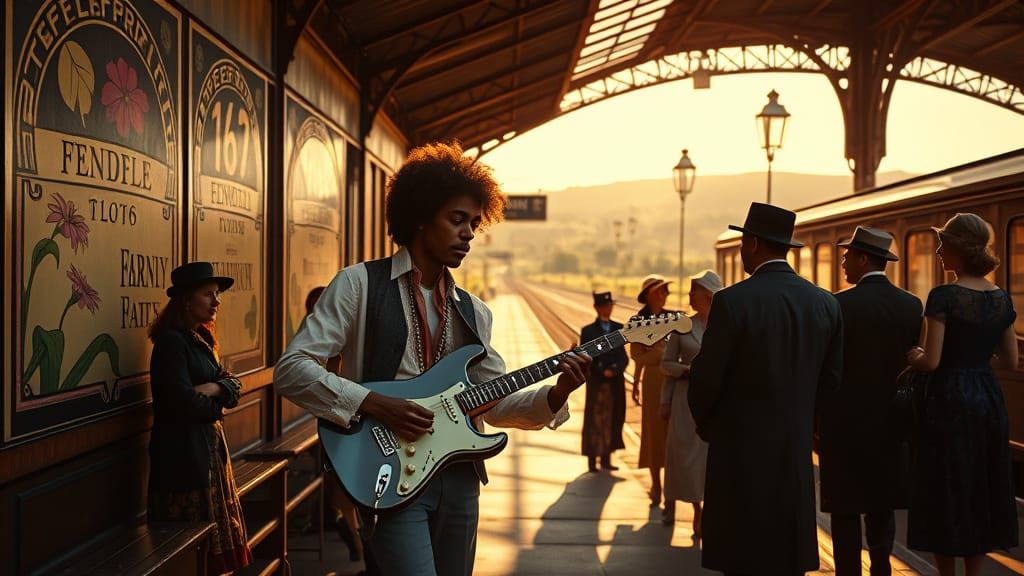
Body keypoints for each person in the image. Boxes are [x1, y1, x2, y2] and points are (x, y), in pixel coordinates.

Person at [274, 141, 591, 576]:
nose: (468, 234)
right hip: (388, 471)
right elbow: (292, 370)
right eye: (457, 220)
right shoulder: (358, 285)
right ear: (420, 217)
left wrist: (557, 392)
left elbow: (494, 404)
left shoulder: (473, 310)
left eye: (475, 225)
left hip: (460, 478)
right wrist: (374, 402)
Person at [688, 202, 843, 575]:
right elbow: (832, 383)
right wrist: (811, 428)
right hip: (794, 451)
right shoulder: (826, 304)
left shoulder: (732, 301)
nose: (741, 249)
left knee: (742, 555)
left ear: (754, 243)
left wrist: (708, 426)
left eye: (743, 242)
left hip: (739, 451)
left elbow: (706, 378)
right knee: (786, 556)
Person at [905, 213, 1019, 576]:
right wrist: (976, 356)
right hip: (986, 399)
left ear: (958, 248)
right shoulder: (1002, 298)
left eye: (943, 245)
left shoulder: (943, 296)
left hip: (949, 400)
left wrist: (913, 356)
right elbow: (1011, 362)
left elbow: (932, 360)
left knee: (947, 487)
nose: (938, 252)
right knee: (979, 487)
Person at [818, 227, 922, 576]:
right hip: (890, 424)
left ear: (864, 259)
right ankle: (881, 569)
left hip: (843, 424)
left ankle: (848, 571)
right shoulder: (911, 305)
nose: (844, 262)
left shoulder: (837, 304)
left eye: (848, 256)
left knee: (845, 509)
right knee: (881, 507)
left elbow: (826, 367)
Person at [147, 261, 251, 574]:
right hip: (183, 457)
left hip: (207, 452)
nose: (216, 301)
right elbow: (184, 402)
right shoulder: (171, 343)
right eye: (208, 294)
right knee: (191, 544)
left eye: (216, 294)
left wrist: (214, 388)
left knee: (212, 542)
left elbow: (234, 385)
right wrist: (217, 401)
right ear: (185, 300)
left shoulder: (201, 339)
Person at [659, 270, 719, 531]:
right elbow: (665, 365)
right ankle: (672, 502)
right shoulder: (682, 326)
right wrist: (686, 371)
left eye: (693, 291)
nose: (689, 296)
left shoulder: (723, 326)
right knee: (679, 456)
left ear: (706, 294)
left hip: (713, 402)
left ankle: (700, 509)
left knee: (705, 460)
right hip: (684, 402)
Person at [630, 274, 673, 507]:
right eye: (661, 291)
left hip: (674, 382)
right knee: (654, 434)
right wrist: (636, 382)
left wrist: (661, 353)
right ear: (650, 294)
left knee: (672, 434)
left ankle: (672, 486)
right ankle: (656, 484)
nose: (665, 295)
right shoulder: (639, 321)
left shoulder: (672, 318)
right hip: (654, 382)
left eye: (666, 291)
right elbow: (636, 356)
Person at [580, 291, 628, 472]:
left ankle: (606, 458)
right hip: (597, 381)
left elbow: (624, 357)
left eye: (610, 305)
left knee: (611, 418)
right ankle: (592, 459)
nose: (609, 308)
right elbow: (587, 356)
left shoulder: (618, 328)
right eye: (606, 305)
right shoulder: (588, 331)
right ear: (597, 307)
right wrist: (601, 370)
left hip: (614, 382)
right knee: (594, 419)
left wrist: (614, 369)